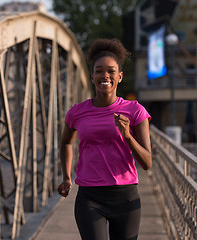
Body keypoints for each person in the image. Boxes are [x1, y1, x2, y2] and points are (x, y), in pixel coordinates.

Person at [57, 38, 152, 240]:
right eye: (99, 70)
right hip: (90, 198)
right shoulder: (77, 112)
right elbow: (66, 142)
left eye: (111, 71)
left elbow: (147, 162)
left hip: (125, 198)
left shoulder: (135, 111)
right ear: (92, 76)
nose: (105, 75)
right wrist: (66, 176)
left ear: (120, 76)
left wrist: (127, 135)